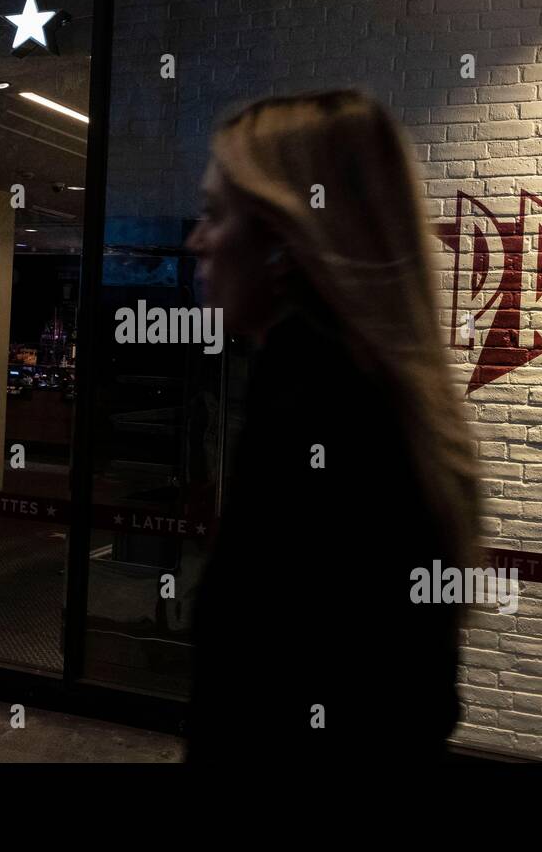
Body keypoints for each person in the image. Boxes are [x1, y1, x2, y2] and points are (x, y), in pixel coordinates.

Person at [184, 90, 483, 765]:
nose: (194, 239)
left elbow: (268, 701)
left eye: (214, 214)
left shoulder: (310, 388)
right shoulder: (379, 384)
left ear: (283, 242)